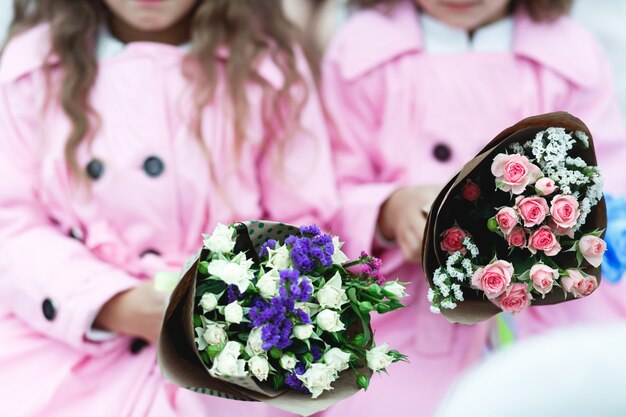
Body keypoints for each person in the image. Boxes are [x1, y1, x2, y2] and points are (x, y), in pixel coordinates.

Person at [0, 1, 337, 416]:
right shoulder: (32, 66)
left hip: (225, 356)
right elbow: (11, 221)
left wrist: (227, 302)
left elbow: (303, 222)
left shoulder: (267, 66)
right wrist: (109, 303)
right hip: (66, 345)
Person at [320, 0, 626, 416]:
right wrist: (389, 210)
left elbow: (607, 176)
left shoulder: (567, 54)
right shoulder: (363, 53)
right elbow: (329, 186)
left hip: (547, 320)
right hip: (407, 323)